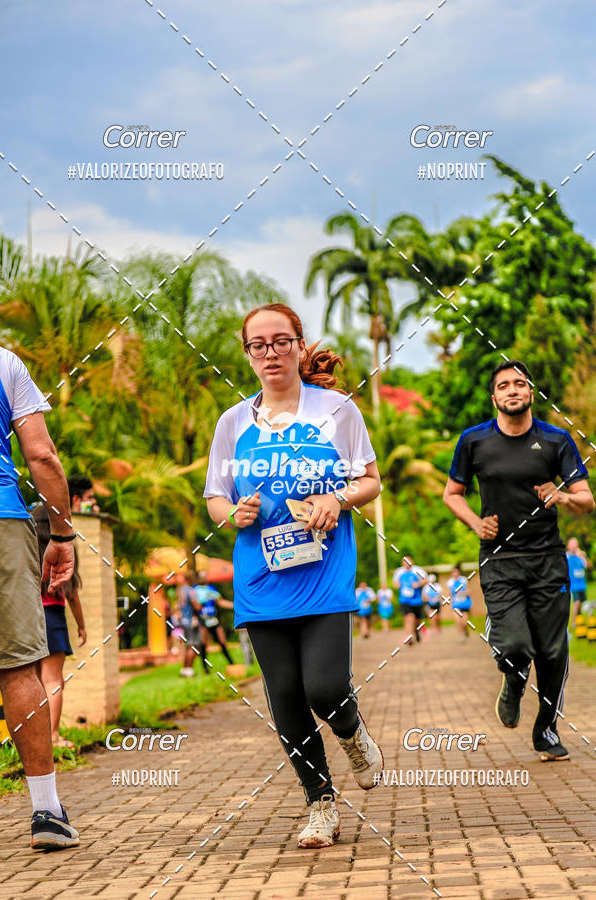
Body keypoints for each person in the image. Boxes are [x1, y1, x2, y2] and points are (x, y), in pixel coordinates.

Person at [204, 302, 383, 849]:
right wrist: (233, 514)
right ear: (247, 354)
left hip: (324, 569)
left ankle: (351, 733)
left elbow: (369, 480)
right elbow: (216, 497)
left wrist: (337, 498)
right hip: (261, 578)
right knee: (284, 698)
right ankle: (319, 802)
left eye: (281, 341)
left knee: (325, 688)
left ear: (299, 346)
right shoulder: (233, 422)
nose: (270, 353)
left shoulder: (337, 410)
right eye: (258, 345)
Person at [444, 359, 594, 762]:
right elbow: (452, 494)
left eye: (520, 384)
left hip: (548, 560)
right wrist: (476, 523)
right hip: (499, 560)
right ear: (494, 397)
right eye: (504, 385)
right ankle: (513, 679)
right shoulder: (474, 441)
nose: (512, 390)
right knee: (513, 644)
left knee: (553, 653)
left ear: (531, 392)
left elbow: (586, 500)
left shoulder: (557, 440)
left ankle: (546, 729)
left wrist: (562, 496)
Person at [0, 344, 79, 848]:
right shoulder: (4, 362)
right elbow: (42, 455)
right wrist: (62, 534)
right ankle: (47, 813)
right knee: (18, 669)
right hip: (0, 519)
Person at [32, 504, 86, 748]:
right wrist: (81, 626)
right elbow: (72, 594)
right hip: (53, 616)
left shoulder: (28, 550)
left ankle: (35, 737)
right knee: (53, 681)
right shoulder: (63, 548)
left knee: (33, 681)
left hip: (29, 618)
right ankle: (53, 736)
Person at [169, 572, 209, 677]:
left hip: (183, 621)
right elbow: (196, 606)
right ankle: (189, 670)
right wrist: (203, 602)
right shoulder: (190, 591)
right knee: (194, 647)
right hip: (191, 622)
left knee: (188, 647)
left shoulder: (180, 590)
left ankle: (184, 670)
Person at [193, 573, 235, 665]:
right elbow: (194, 605)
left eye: (204, 576)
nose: (203, 577)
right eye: (201, 576)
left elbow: (220, 602)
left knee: (222, 640)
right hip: (202, 619)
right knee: (204, 643)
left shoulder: (211, 589)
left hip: (213, 618)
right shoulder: (194, 590)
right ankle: (205, 668)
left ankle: (231, 663)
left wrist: (235, 606)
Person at [393, 555, 428, 645]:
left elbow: (426, 580)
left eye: (408, 561)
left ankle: (416, 631)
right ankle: (409, 637)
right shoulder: (399, 572)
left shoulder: (418, 570)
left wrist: (418, 584)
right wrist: (398, 585)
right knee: (409, 618)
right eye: (405, 561)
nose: (407, 563)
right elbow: (395, 583)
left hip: (417, 600)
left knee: (416, 621)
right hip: (404, 600)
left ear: (412, 561)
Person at [566, 538, 589, 627]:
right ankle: (573, 622)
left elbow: (588, 566)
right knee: (577, 602)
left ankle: (580, 620)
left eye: (575, 544)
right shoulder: (566, 556)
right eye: (572, 544)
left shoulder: (581, 555)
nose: (574, 546)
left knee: (582, 604)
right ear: (568, 546)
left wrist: (583, 557)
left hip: (582, 585)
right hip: (573, 585)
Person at [447, 564, 472, 641]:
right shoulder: (450, 582)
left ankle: (465, 629)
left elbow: (469, 591)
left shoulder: (464, 580)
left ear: (459, 573)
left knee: (464, 622)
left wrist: (463, 593)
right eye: (453, 572)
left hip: (465, 604)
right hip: (456, 604)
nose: (455, 574)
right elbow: (450, 594)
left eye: (456, 572)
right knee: (458, 620)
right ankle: (462, 636)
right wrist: (450, 603)